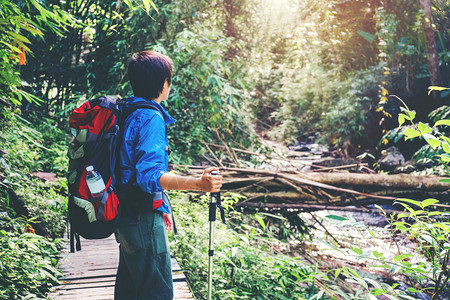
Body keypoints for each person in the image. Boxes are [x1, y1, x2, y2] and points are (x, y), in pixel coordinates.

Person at [114, 50, 222, 300]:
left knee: (130, 290)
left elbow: (129, 169)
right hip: (141, 217)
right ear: (164, 83)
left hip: (126, 215)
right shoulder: (151, 117)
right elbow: (149, 176)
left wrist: (162, 206)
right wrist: (198, 184)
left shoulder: (128, 110)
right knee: (156, 292)